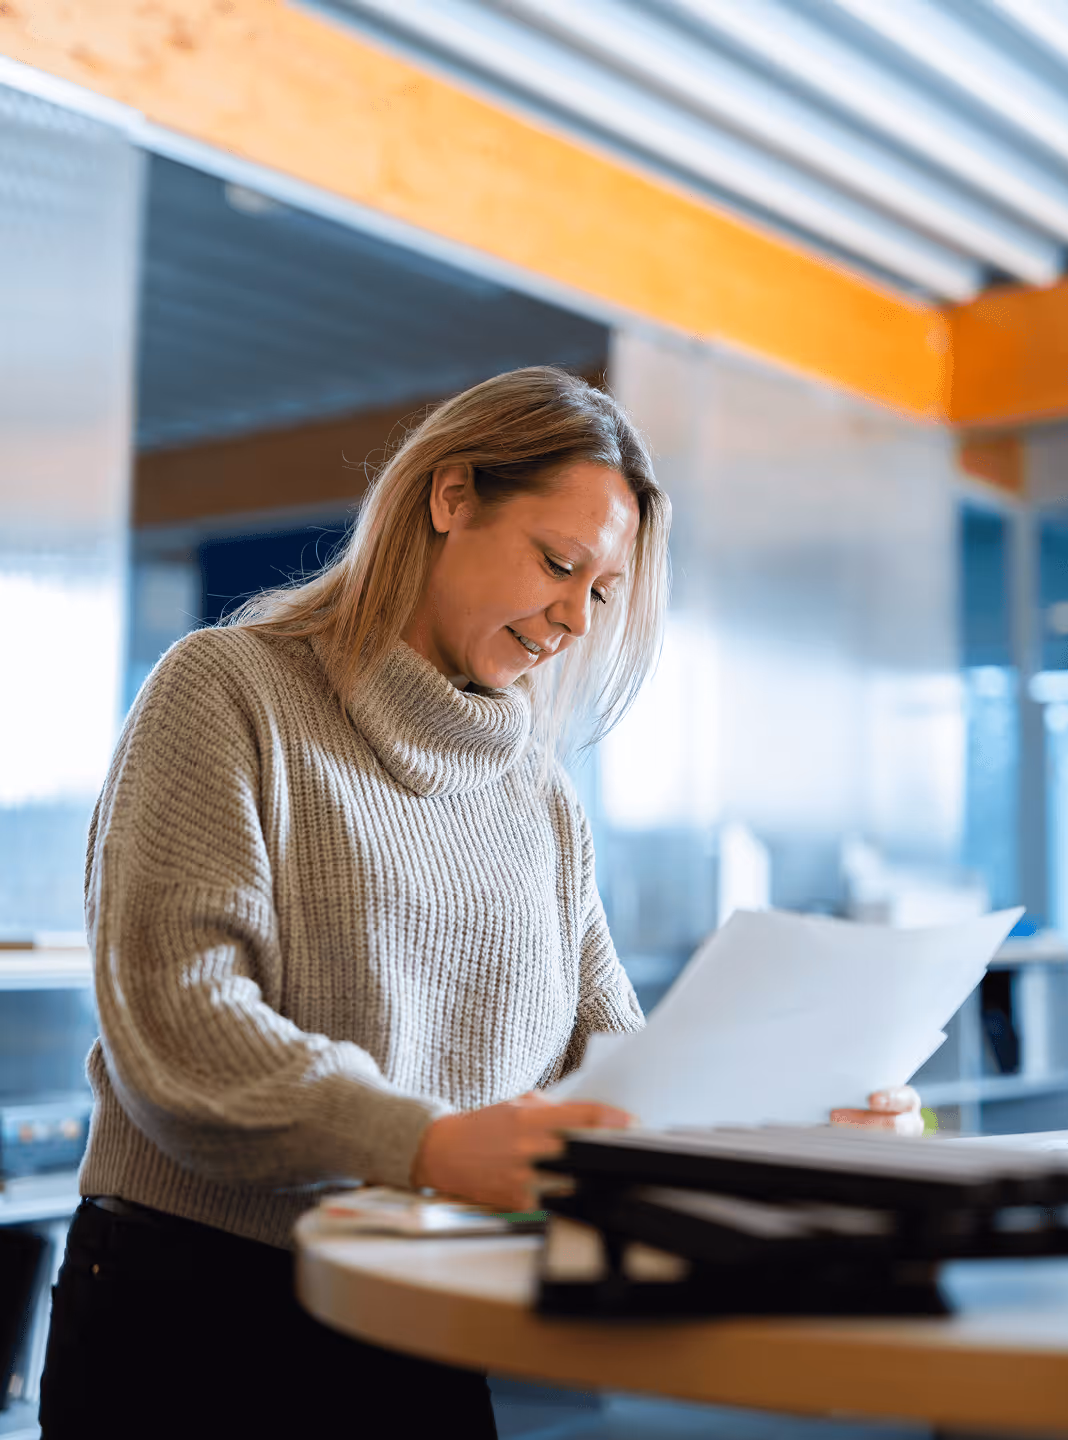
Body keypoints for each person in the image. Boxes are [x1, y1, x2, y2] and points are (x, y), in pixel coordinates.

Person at [39, 367, 920, 1439]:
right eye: (558, 563)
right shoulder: (226, 692)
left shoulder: (541, 798)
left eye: (602, 593)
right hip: (194, 1314)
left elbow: (616, 1066)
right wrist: (425, 1143)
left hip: (428, 1320)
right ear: (450, 497)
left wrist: (798, 1128)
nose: (573, 619)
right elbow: (182, 1031)